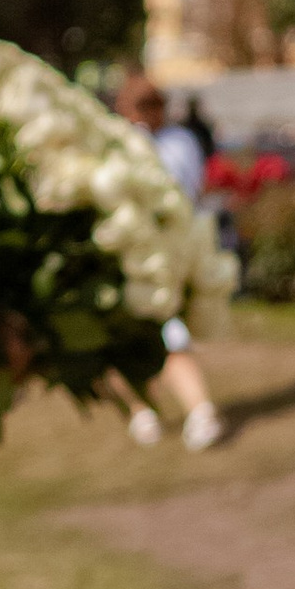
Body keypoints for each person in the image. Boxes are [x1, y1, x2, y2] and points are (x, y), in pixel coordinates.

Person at [111, 75, 225, 453]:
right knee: (122, 336)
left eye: (154, 105)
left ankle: (199, 411)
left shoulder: (180, 142)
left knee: (169, 330)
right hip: (132, 250)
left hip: (170, 252)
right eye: (141, 107)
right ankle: (143, 408)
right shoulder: (124, 143)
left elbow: (181, 191)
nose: (149, 115)